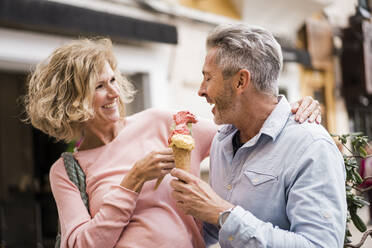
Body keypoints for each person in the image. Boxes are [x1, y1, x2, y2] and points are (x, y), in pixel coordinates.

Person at [24, 38, 321, 248]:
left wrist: (294, 111)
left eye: (113, 80)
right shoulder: (66, 171)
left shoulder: (163, 122)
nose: (114, 93)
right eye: (99, 87)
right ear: (71, 101)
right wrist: (133, 180)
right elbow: (82, 245)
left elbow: (249, 127)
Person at [170, 24, 347, 248]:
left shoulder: (311, 146)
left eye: (208, 78)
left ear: (241, 81)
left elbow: (320, 245)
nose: (201, 90)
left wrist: (223, 214)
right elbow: (213, 227)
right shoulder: (221, 141)